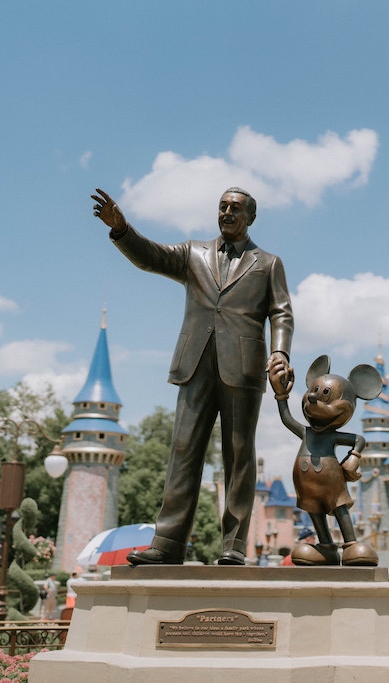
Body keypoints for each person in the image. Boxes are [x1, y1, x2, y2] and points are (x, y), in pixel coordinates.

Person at [93, 187, 293, 566]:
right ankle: (167, 543)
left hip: (244, 368)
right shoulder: (192, 253)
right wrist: (122, 230)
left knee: (238, 457)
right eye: (222, 207)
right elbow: (151, 257)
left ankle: (233, 544)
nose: (227, 213)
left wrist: (280, 351)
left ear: (250, 217)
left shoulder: (268, 263)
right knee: (183, 452)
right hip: (194, 364)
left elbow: (281, 312)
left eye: (235, 208)